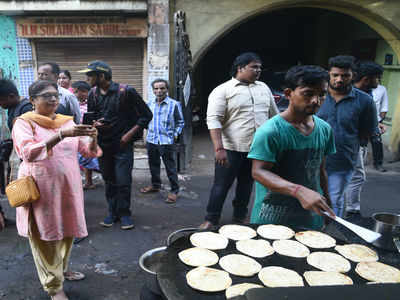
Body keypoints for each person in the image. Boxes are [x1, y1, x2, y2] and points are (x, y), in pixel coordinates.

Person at [12, 80, 100, 300]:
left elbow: (88, 153)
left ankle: (60, 270)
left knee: (67, 231)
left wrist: (92, 138)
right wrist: (61, 135)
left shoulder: (65, 122)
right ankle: (54, 287)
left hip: (69, 187)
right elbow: (28, 152)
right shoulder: (24, 123)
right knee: (45, 237)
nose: (53, 99)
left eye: (55, 95)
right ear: (32, 100)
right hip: (42, 189)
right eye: (46, 95)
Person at [248, 65, 335, 229]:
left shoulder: (324, 129)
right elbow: (258, 172)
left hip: (310, 215)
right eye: (308, 94)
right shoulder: (270, 131)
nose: (316, 101)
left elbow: (320, 169)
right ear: (288, 94)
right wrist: (299, 191)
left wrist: (328, 203)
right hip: (272, 217)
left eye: (322, 95)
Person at [199, 52, 278, 230]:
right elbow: (214, 120)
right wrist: (219, 148)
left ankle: (240, 217)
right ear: (240, 68)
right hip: (230, 149)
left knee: (246, 184)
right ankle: (211, 218)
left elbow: (274, 116)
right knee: (221, 185)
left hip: (257, 149)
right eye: (254, 67)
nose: (258, 70)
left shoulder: (263, 88)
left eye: (259, 67)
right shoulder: (223, 90)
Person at [78, 60, 152, 230]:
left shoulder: (126, 92)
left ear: (102, 76)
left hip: (122, 145)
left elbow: (146, 116)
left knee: (123, 180)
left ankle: (125, 213)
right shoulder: (93, 94)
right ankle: (112, 212)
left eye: (90, 75)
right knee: (109, 180)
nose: (87, 78)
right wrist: (97, 123)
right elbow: (93, 116)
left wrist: (129, 134)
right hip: (104, 145)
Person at [317, 56, 377, 218]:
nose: (339, 79)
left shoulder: (365, 101)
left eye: (345, 76)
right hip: (312, 159)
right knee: (310, 198)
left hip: (342, 160)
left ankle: (331, 234)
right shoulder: (316, 95)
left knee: (334, 200)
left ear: (353, 76)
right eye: (335, 75)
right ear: (328, 74)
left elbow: (367, 131)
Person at [345, 61, 385, 216]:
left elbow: (368, 118)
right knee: (357, 177)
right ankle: (352, 210)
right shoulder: (352, 95)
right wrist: (371, 130)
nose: (379, 82)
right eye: (377, 78)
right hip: (350, 143)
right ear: (367, 79)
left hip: (359, 143)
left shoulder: (367, 94)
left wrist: (376, 125)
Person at [140, 79, 185, 203]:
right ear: (153, 90)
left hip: (167, 141)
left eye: (162, 88)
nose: (159, 91)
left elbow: (180, 122)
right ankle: (155, 185)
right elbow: (145, 119)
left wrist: (175, 135)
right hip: (152, 140)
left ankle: (174, 190)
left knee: (170, 167)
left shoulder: (174, 104)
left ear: (167, 89)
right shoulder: (149, 104)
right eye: (156, 88)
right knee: (153, 165)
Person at [0, 79, 33, 231]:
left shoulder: (26, 108)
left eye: (1, 100)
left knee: (32, 191)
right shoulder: (12, 108)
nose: (0, 104)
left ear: (11, 96)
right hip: (20, 155)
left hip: (30, 157)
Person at [71, 81, 99, 189]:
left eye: (78, 92)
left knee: (89, 158)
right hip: (75, 134)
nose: (76, 94)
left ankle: (89, 181)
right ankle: (83, 182)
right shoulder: (72, 103)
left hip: (89, 134)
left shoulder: (92, 104)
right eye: (75, 91)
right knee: (79, 159)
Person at [372, 81, 389, 172]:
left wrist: (380, 120)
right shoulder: (361, 88)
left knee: (377, 142)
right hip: (361, 119)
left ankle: (378, 164)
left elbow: (384, 106)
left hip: (376, 120)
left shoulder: (382, 89)